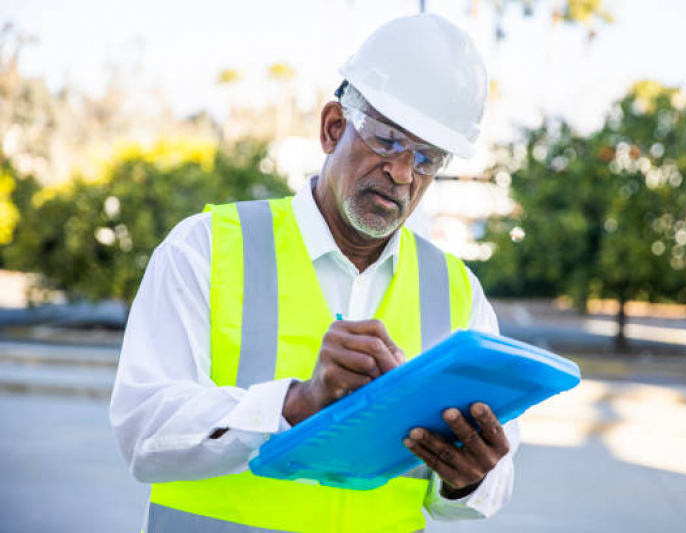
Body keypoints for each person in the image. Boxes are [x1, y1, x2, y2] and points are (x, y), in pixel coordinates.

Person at [110, 13, 520, 532]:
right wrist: (294, 405)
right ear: (333, 128)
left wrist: (468, 479)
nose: (401, 174)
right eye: (388, 140)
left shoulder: (458, 292)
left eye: (427, 158)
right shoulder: (205, 248)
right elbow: (142, 430)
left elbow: (494, 482)